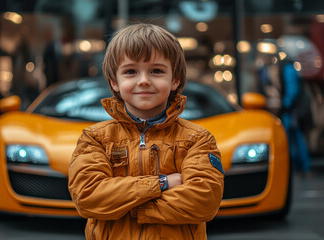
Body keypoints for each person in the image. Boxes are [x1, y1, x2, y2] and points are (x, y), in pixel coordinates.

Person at [68, 23, 224, 240]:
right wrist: (163, 183)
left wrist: (128, 207)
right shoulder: (95, 138)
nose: (143, 80)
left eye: (156, 71)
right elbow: (88, 197)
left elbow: (204, 201)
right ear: (114, 81)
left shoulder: (197, 139)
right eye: (130, 71)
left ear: (175, 79)